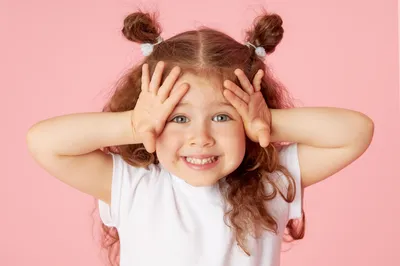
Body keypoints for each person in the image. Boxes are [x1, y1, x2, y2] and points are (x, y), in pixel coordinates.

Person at [26, 10, 374, 266]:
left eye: (222, 116)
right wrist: (134, 125)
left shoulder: (269, 183)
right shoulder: (133, 185)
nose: (200, 137)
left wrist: (266, 123)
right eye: (178, 118)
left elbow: (355, 132)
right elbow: (44, 143)